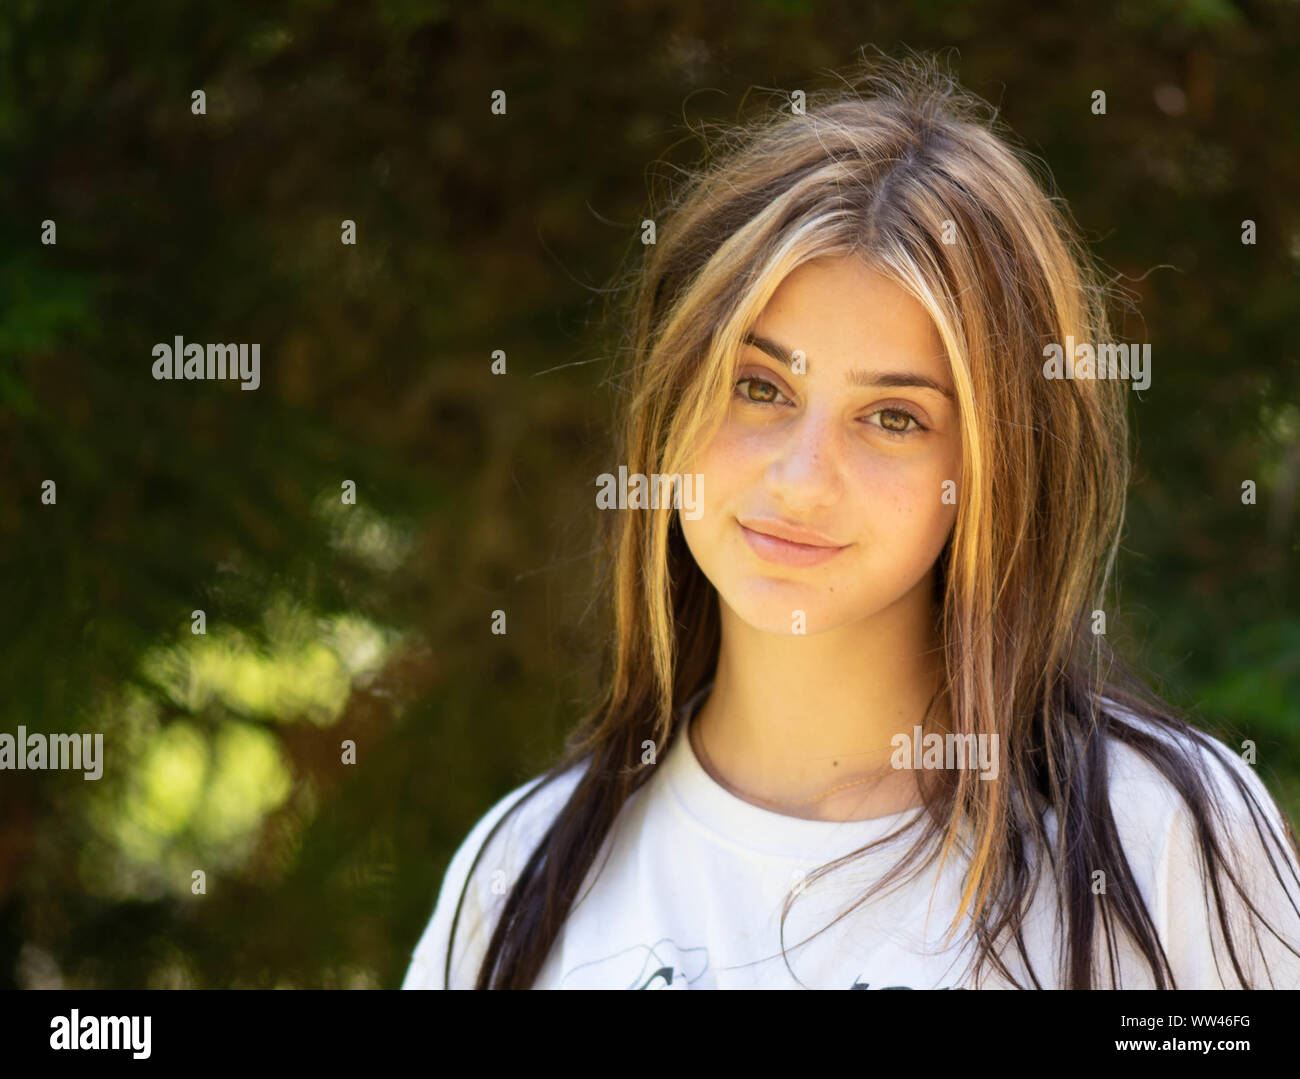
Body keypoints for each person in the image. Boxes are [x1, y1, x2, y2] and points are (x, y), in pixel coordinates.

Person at [402, 50, 1300, 989]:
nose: (801, 479)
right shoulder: (520, 871)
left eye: (894, 417)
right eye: (759, 387)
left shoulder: (1157, 841)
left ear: (998, 469)